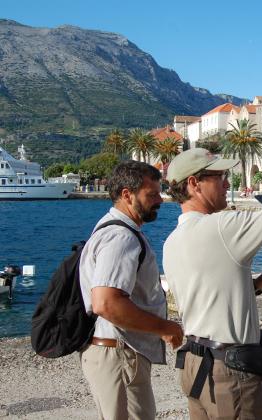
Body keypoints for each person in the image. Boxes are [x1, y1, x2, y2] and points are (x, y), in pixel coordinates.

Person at [162, 148, 262, 419]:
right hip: (230, 372)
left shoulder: (172, 241)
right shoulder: (221, 226)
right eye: (220, 177)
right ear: (194, 184)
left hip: (194, 364)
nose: (228, 184)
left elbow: (209, 296)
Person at [79, 160, 184, 420]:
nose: (159, 200)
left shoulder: (114, 228)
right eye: (152, 194)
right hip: (118, 355)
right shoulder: (121, 237)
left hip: (117, 352)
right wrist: (165, 328)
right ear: (127, 194)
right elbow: (106, 303)